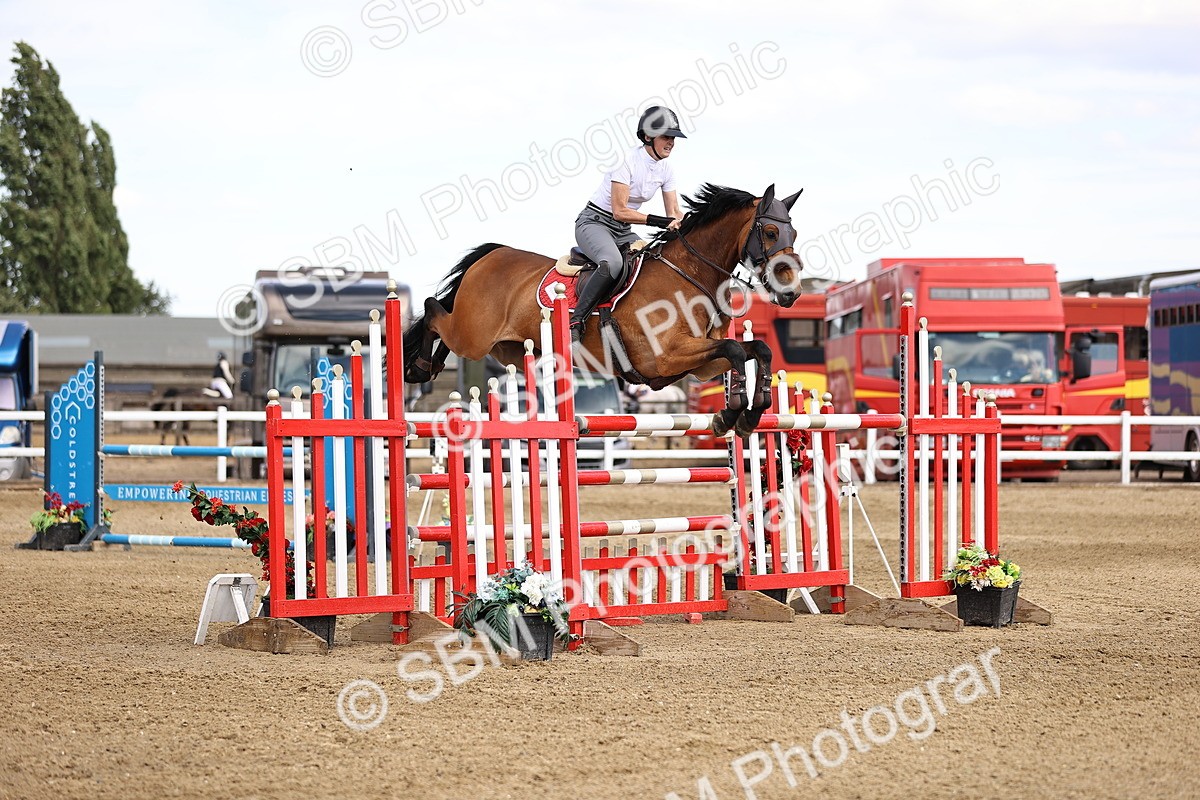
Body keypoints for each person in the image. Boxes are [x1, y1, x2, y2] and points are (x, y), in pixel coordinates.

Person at [570, 106, 687, 344]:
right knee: (612, 263)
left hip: (622, 231)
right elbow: (620, 211)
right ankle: (576, 319)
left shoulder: (667, 169)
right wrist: (660, 222)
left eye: (673, 137)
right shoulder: (626, 161)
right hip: (595, 222)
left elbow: (674, 212)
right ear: (647, 137)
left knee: (652, 261)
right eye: (666, 136)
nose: (671, 142)